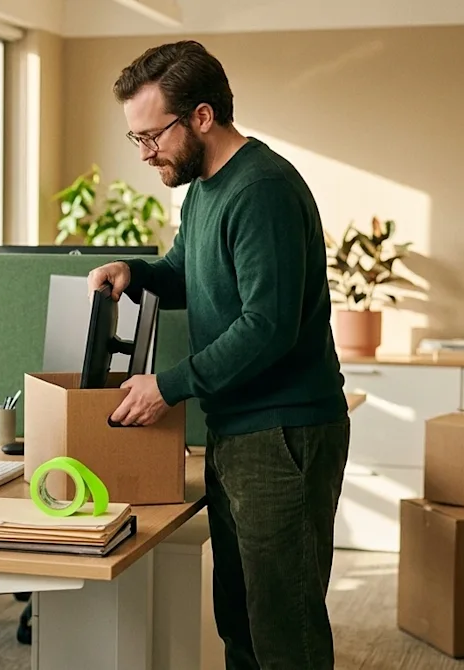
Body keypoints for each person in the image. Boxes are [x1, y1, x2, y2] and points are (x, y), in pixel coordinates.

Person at [88, 41, 350, 670]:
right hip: (238, 430)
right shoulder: (203, 187)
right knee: (239, 618)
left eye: (153, 135)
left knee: (285, 627)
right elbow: (186, 270)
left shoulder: (261, 190)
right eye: (137, 140)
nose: (146, 153)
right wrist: (138, 272)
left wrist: (170, 385)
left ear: (201, 117)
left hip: (282, 431)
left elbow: (268, 327)